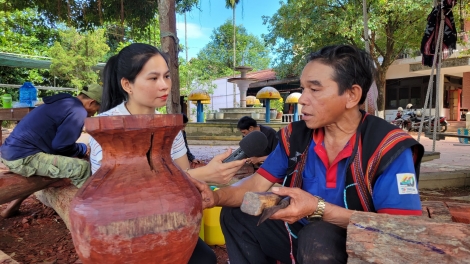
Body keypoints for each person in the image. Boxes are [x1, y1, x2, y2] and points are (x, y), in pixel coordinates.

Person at [189, 45, 425, 263]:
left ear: (352, 95)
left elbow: (400, 226)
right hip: (297, 234)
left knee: (318, 235)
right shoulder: (296, 136)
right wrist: (216, 198)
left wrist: (318, 209)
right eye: (303, 89)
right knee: (237, 216)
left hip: (359, 247)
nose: (302, 99)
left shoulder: (388, 147)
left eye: (314, 89)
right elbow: (256, 184)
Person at [88, 43, 246, 264]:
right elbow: (113, 194)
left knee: (205, 259)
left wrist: (204, 176)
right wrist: (206, 175)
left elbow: (183, 174)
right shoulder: (107, 127)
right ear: (127, 84)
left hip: (164, 218)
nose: (164, 86)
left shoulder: (169, 126)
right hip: (122, 225)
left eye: (166, 76)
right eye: (153, 78)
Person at [0, 84, 102, 218]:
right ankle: (94, 213)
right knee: (82, 168)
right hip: (23, 157)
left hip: (12, 151)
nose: (94, 114)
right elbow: (61, 146)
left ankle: (12, 207)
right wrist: (83, 149)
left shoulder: (63, 101)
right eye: (96, 109)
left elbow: (58, 145)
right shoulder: (78, 111)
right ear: (92, 102)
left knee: (55, 165)